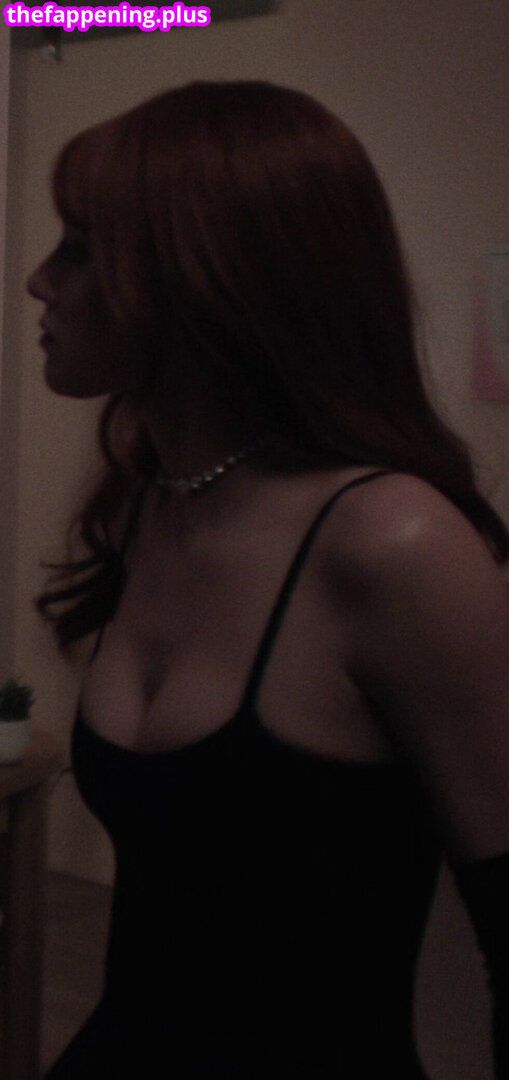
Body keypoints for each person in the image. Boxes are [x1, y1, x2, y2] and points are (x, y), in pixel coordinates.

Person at [27, 80, 509, 1079]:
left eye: (79, 247)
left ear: (200, 274)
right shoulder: (145, 508)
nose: (40, 281)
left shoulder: (391, 541)